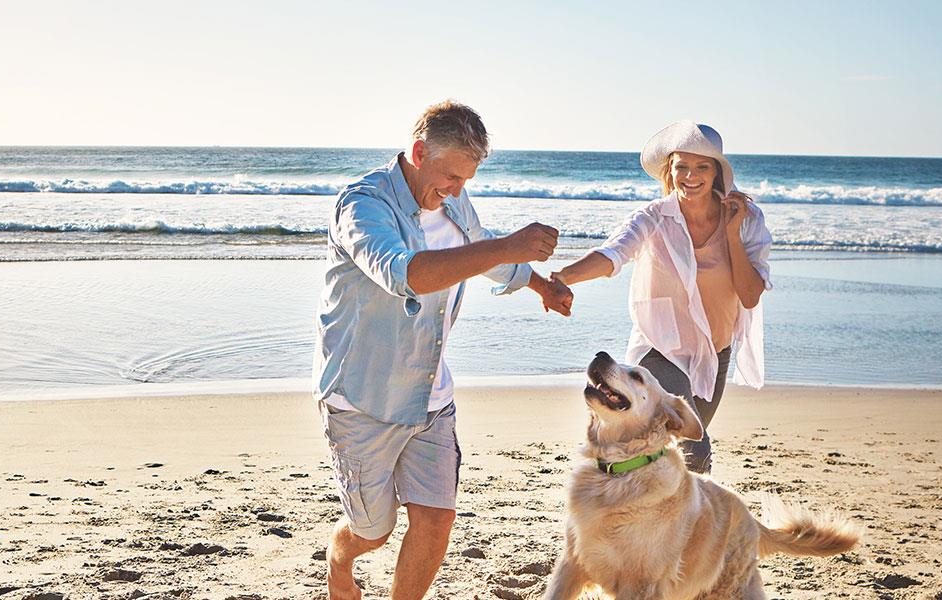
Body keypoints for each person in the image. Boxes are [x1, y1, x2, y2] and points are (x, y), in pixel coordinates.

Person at [313, 100, 574, 600]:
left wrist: (540, 284)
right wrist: (507, 248)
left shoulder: (453, 201)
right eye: (450, 175)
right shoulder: (363, 206)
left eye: (466, 179)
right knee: (373, 532)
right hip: (362, 398)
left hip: (431, 395)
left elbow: (483, 253)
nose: (456, 189)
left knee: (436, 522)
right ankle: (338, 560)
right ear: (418, 152)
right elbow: (404, 274)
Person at [549, 120, 771, 474]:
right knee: (694, 449)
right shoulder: (654, 217)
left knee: (675, 452)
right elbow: (613, 254)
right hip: (661, 348)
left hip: (716, 353)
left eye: (702, 167)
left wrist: (731, 233)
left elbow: (749, 295)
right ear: (670, 170)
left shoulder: (747, 221)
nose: (690, 176)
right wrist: (563, 277)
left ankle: (660, 518)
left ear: (717, 172)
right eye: (681, 166)